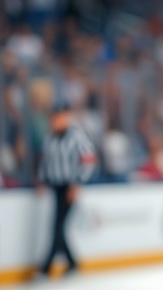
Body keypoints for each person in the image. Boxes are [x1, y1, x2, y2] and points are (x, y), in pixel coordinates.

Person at [35, 108, 97, 279]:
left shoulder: (76, 137)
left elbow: (89, 160)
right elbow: (45, 161)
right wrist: (42, 180)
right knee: (58, 227)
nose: (57, 121)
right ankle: (71, 263)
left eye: (60, 117)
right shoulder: (49, 138)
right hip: (56, 186)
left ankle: (46, 267)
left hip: (69, 187)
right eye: (55, 117)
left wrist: (77, 183)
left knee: (58, 227)